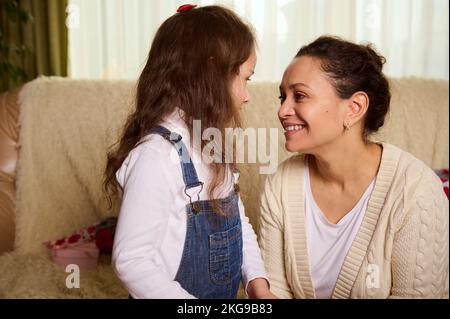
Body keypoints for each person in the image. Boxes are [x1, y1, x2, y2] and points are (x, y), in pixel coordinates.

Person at [104, 4, 274, 299]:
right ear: (211, 73)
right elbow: (132, 261)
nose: (247, 96)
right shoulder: (155, 156)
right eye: (245, 79)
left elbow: (236, 222)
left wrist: (258, 283)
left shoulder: (211, 144)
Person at [258, 36, 449, 299]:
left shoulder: (416, 191)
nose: (282, 110)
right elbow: (273, 291)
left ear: (354, 108)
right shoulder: (281, 183)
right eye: (283, 97)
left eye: (299, 96)